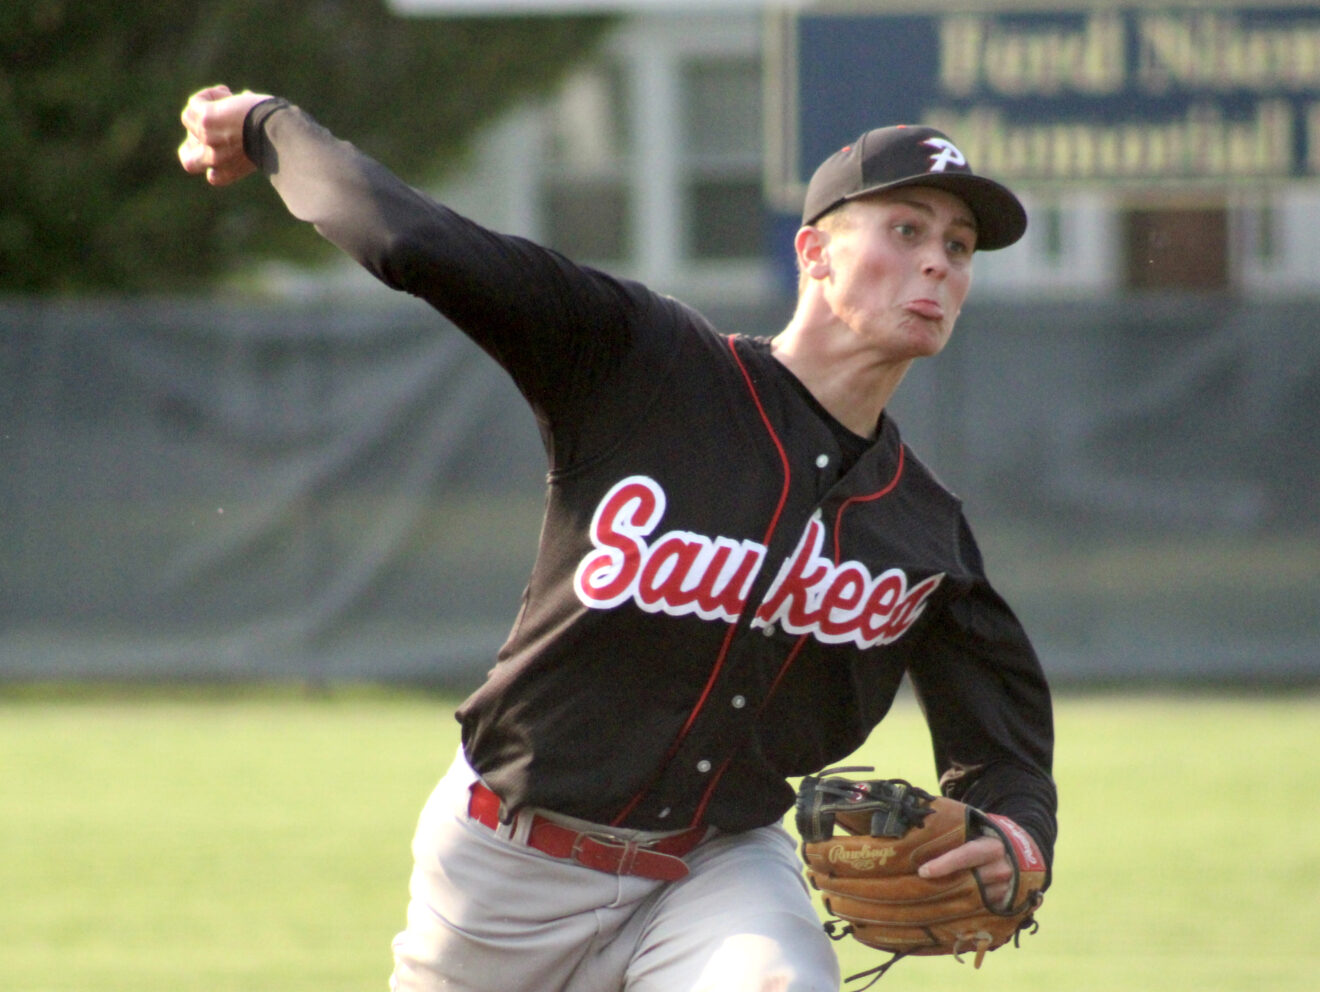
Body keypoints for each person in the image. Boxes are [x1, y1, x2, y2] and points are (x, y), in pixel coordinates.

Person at [179, 84, 1057, 992]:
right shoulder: (648, 364)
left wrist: (1017, 835)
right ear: (815, 253)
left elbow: (1003, 741)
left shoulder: (922, 524)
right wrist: (267, 127)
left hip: (714, 871)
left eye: (958, 248)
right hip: (503, 869)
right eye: (905, 231)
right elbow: (415, 241)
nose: (938, 266)